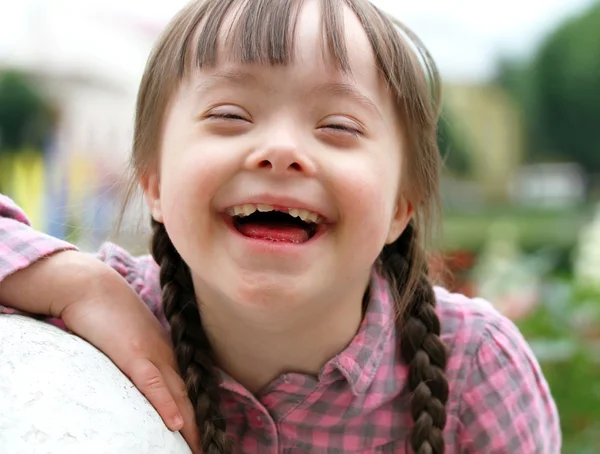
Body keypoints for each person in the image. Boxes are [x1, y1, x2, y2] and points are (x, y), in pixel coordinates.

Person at [0, 0, 561, 452]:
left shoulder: (477, 368)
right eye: (229, 115)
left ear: (400, 207)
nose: (281, 150)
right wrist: (72, 281)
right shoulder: (101, 319)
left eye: (338, 125)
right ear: (154, 181)